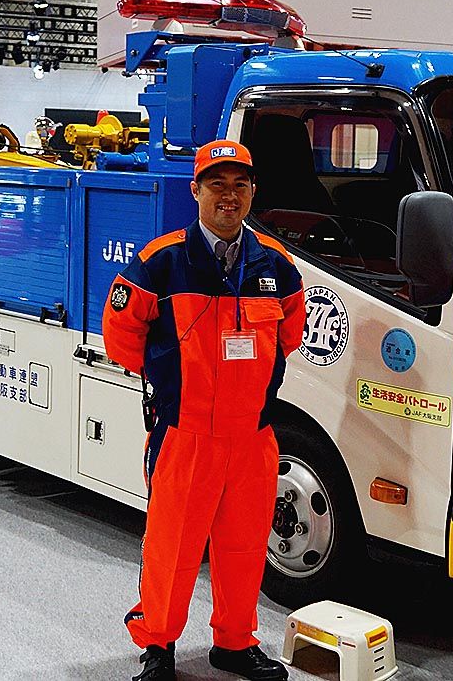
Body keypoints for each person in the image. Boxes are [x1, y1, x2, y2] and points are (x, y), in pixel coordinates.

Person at [103, 139, 305, 681]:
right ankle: (158, 645)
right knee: (172, 548)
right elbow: (121, 335)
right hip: (186, 435)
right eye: (217, 184)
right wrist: (171, 379)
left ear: (253, 192)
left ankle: (235, 643)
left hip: (253, 437)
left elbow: (289, 334)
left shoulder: (278, 265)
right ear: (195, 190)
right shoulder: (161, 261)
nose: (228, 195)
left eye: (240, 184)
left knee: (245, 549)